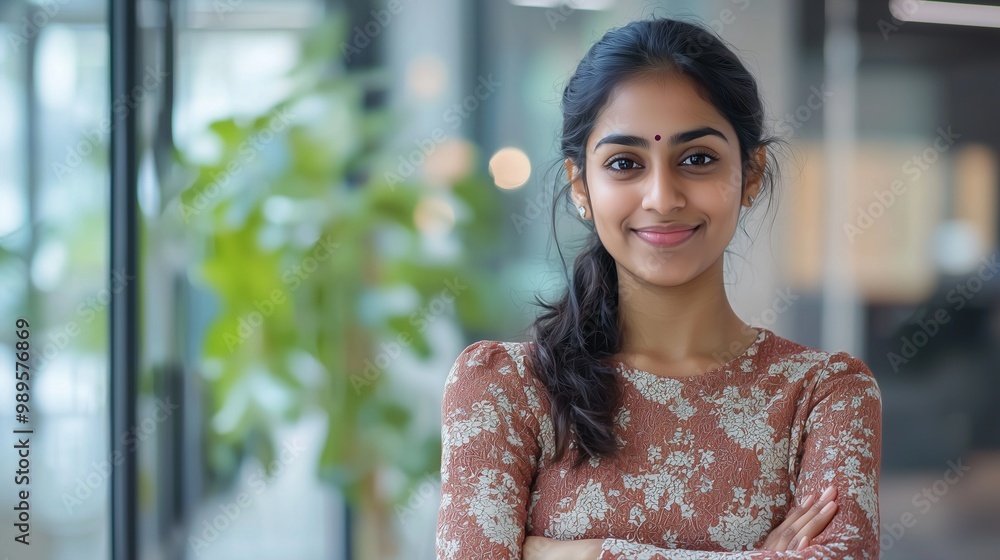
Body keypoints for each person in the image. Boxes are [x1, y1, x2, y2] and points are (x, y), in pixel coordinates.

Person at [435, 16, 881, 560]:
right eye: (624, 164)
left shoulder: (824, 396)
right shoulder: (507, 391)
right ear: (582, 185)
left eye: (697, 160)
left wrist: (575, 553)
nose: (662, 197)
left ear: (753, 174)